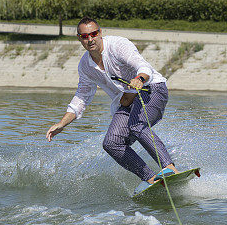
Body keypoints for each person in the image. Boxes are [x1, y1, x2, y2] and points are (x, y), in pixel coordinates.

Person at [46, 17, 178, 194]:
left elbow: (142, 65)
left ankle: (169, 168)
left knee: (137, 125)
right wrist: (62, 123)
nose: (90, 39)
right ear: (79, 38)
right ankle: (151, 178)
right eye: (85, 36)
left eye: (93, 34)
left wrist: (139, 79)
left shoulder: (118, 45)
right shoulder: (85, 65)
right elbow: (82, 97)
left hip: (151, 90)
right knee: (111, 143)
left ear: (100, 33)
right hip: (127, 102)